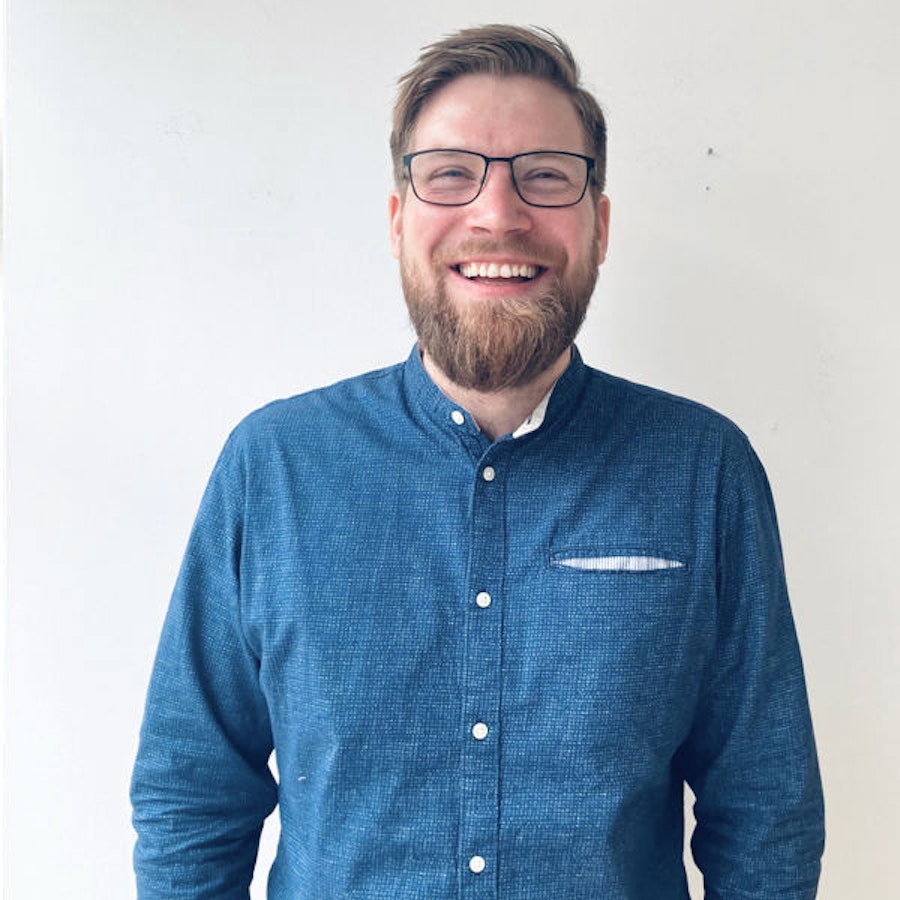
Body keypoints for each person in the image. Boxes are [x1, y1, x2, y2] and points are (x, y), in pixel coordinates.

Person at [131, 24, 825, 899]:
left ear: (600, 226)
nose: (497, 214)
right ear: (398, 221)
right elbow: (192, 794)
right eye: (452, 174)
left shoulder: (702, 470)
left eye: (546, 176)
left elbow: (766, 811)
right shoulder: (273, 468)